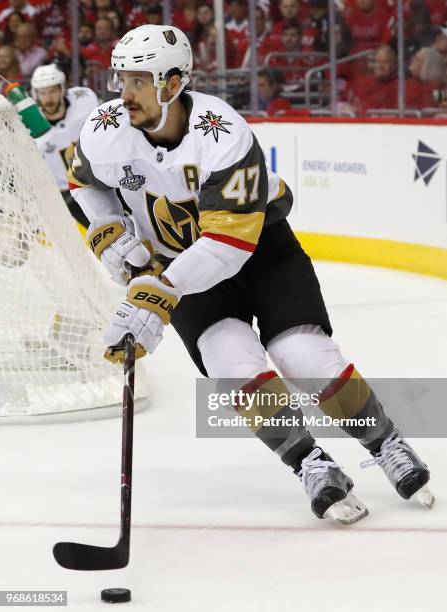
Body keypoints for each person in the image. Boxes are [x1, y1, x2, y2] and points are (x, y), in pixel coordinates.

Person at [68, 24, 433, 524]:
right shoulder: (105, 128)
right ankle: (310, 463)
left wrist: (156, 295)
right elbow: (83, 184)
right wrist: (108, 230)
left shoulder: (222, 133)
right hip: (181, 269)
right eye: (121, 78)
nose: (123, 92)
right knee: (230, 363)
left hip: (260, 255)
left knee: (301, 355)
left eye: (138, 80)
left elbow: (226, 245)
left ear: (173, 83)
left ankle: (385, 441)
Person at [30, 63, 99, 230]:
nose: (48, 98)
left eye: (52, 91)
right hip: (68, 192)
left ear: (62, 89)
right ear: (35, 94)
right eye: (43, 93)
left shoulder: (85, 99)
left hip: (98, 178)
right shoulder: (30, 123)